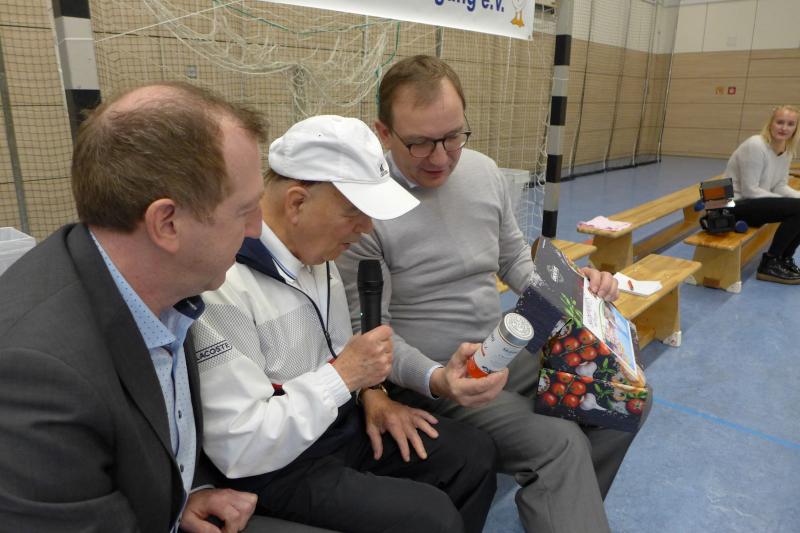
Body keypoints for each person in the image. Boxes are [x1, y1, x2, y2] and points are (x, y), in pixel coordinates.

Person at [337, 55, 650, 533]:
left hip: (504, 347)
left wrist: (576, 290)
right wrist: (438, 379)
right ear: (383, 132)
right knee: (559, 445)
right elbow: (368, 332)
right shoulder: (366, 209)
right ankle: (568, 505)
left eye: (453, 137)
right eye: (419, 142)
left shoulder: (484, 172)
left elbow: (515, 261)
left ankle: (568, 508)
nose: (440, 157)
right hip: (436, 374)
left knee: (624, 396)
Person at [0, 81, 291, 533]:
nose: (257, 229)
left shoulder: (160, 287)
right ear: (167, 223)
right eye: (244, 210)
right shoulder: (40, 374)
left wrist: (182, 493)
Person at [190, 115, 498, 533]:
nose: (367, 228)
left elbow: (338, 354)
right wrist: (344, 377)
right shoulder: (222, 285)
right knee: (431, 517)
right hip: (278, 467)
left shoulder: (317, 256)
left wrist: (372, 392)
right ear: (297, 203)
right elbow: (240, 445)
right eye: (354, 212)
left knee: (472, 456)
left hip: (337, 428)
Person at [726, 104, 800, 284]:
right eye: (780, 122)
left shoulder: (787, 150)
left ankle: (784, 258)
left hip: (756, 203)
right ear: (770, 123)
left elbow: (780, 185)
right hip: (733, 205)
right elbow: (750, 190)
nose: (784, 128)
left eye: (790, 124)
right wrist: (787, 203)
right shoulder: (756, 145)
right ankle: (770, 263)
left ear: (795, 129)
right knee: (797, 209)